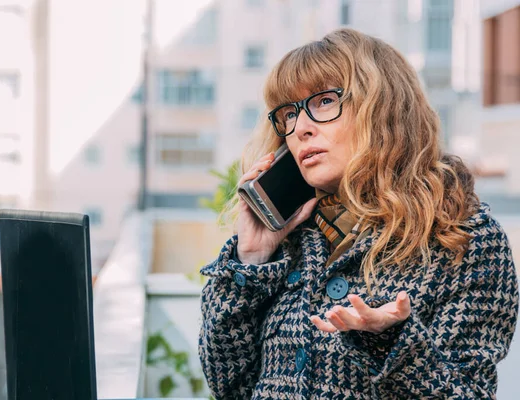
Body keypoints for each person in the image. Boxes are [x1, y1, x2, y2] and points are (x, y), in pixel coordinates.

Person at [198, 28, 519, 399]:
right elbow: (230, 386)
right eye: (288, 113)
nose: (300, 128)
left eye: (323, 101)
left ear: (382, 109)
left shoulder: (465, 238)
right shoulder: (289, 238)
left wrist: (392, 343)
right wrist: (250, 261)